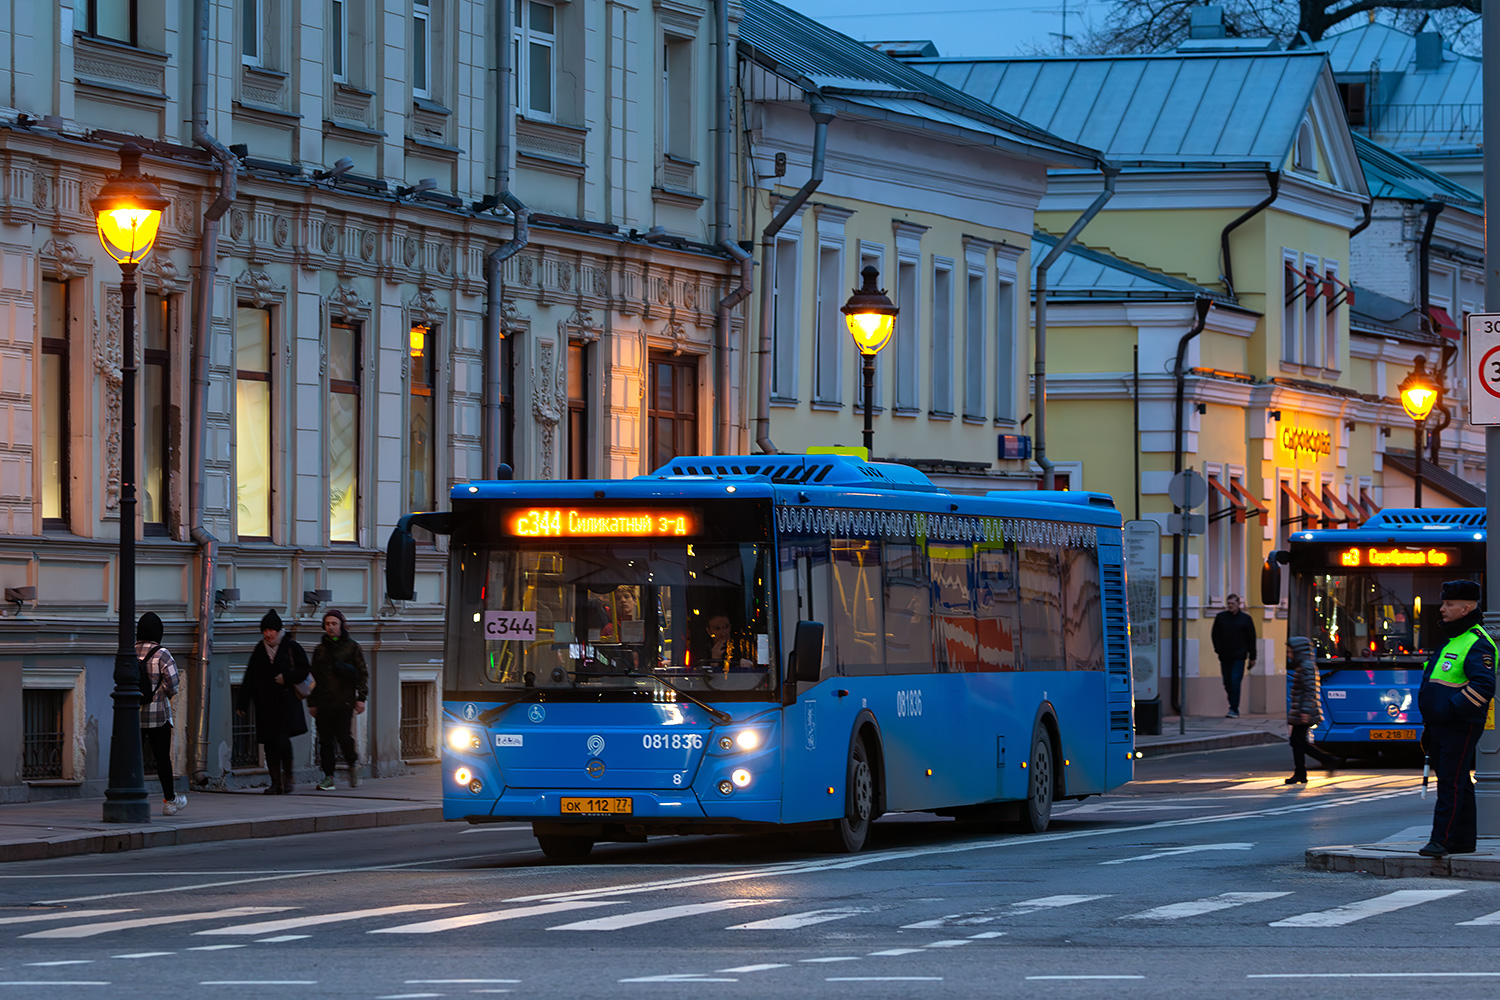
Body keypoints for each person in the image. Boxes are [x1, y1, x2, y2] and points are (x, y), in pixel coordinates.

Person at [1417, 579, 1496, 858]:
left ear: (1466, 608)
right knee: (1458, 781)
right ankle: (1462, 840)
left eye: (1448, 604)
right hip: (1441, 725)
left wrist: (1452, 710)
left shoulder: (1476, 642)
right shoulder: (1454, 639)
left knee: (1449, 783)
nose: (1442, 609)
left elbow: (1484, 686)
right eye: (1443, 603)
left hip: (1458, 726)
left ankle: (1440, 840)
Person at [236, 609, 311, 794]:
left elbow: (304, 669)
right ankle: (275, 782)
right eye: (265, 630)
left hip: (285, 704)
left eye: (272, 630)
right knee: (269, 744)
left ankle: (288, 778)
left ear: (279, 630)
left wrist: (286, 677)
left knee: (282, 741)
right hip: (265, 705)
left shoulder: (291, 646)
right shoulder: (260, 649)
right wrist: (242, 703)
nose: (268, 634)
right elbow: (250, 677)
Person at [309, 608, 369, 790]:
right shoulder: (320, 650)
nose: (330, 627)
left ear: (341, 625)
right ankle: (328, 777)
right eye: (327, 624)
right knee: (325, 741)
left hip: (343, 700)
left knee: (344, 738)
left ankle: (352, 764)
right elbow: (313, 678)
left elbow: (362, 673)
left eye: (334, 623)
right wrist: (311, 702)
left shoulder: (351, 647)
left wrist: (361, 698)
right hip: (323, 702)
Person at [136, 612, 186, 815]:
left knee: (135, 757)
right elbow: (173, 684)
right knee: (162, 758)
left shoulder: (130, 651)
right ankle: (169, 800)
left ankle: (137, 796)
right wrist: (163, 692)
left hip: (135, 716)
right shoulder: (162, 653)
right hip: (158, 716)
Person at [1284, 636, 1340, 784]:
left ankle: (1319, 764)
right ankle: (1306, 770)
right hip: (1302, 710)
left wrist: (1305, 711)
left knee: (1297, 741)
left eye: (1290, 652)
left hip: (1305, 711)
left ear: (1298, 651)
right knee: (1297, 742)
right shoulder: (1303, 665)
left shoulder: (1306, 666)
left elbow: (1310, 690)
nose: (1289, 655)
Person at [1211, 594, 1257, 718]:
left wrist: (1253, 656)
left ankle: (1233, 708)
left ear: (1238, 604)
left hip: (1239, 655)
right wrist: (1218, 650)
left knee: (1235, 681)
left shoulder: (1245, 619)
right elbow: (1215, 635)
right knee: (1227, 682)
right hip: (1225, 655)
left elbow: (1251, 638)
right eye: (1229, 604)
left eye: (1233, 604)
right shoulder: (1221, 618)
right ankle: (1233, 705)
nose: (1230, 606)